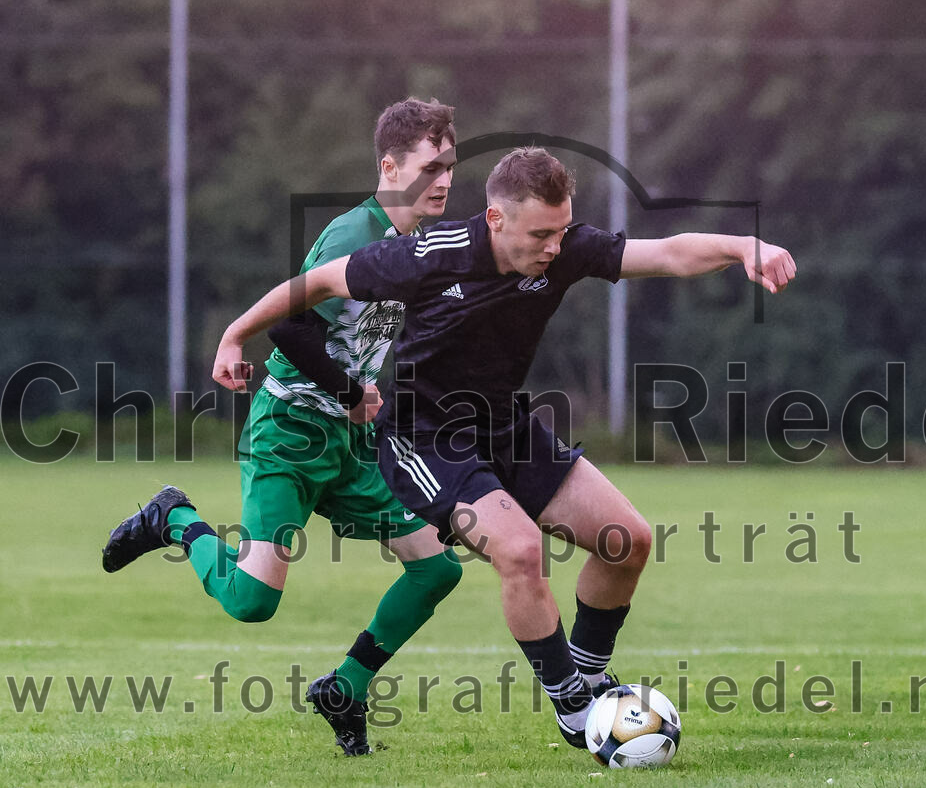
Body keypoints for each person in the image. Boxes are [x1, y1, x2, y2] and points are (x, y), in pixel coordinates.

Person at [211, 146, 797, 747]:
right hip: (426, 441)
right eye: (541, 233)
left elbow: (668, 253)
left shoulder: (564, 249)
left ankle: (590, 679)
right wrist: (235, 336)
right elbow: (316, 283)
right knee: (519, 551)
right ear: (495, 219)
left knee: (629, 541)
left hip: (505, 429)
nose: (553, 246)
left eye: (561, 230)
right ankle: (573, 707)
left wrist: (741, 247)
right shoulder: (428, 258)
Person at [101, 97, 463, 756]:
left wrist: (376, 394)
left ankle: (345, 688)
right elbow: (291, 328)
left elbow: (368, 337)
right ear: (390, 166)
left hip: (349, 444)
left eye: (451, 166)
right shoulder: (356, 235)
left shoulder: (413, 248)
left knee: (437, 568)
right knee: (251, 603)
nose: (444, 178)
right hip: (291, 434)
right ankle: (174, 520)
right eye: (432, 164)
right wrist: (353, 390)